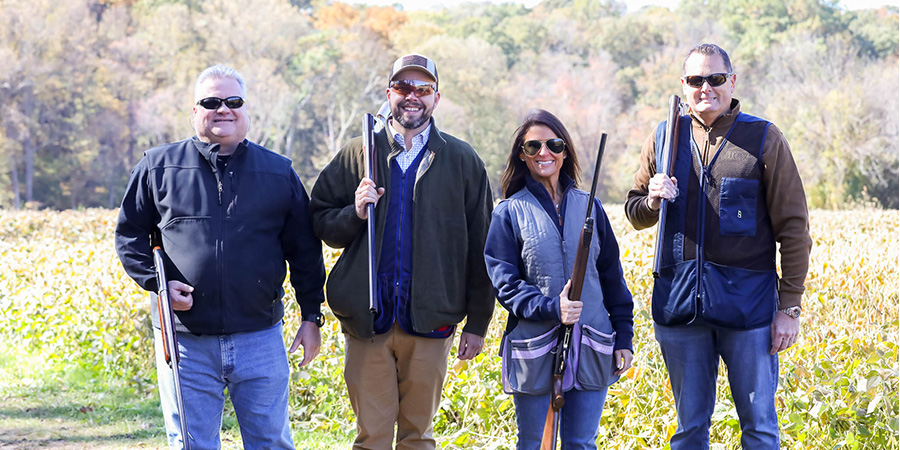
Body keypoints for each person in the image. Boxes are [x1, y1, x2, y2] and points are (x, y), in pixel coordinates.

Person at [115, 64, 326, 449]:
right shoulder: (156, 167)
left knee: (271, 443)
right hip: (184, 341)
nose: (223, 109)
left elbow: (305, 252)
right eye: (210, 102)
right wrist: (156, 282)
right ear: (194, 112)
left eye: (233, 101)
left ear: (247, 111)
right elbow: (129, 236)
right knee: (192, 445)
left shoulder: (279, 173)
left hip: (260, 339)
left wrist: (312, 316)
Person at [624, 44, 812, 449]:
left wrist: (789, 307)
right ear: (684, 85)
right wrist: (653, 199)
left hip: (750, 310)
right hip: (679, 307)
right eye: (696, 80)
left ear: (732, 80)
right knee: (689, 431)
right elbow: (635, 211)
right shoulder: (663, 136)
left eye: (715, 79)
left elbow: (793, 228)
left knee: (760, 428)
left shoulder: (764, 137)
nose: (705, 87)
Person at [308, 53, 495, 450]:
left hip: (431, 321)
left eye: (423, 89)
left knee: (418, 438)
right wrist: (355, 213)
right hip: (368, 320)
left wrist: (478, 322)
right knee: (371, 438)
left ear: (437, 98)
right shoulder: (358, 153)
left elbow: (482, 246)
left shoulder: (463, 161)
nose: (413, 96)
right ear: (388, 93)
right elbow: (321, 222)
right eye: (403, 87)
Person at [483, 110, 634, 450]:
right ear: (521, 155)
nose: (543, 153)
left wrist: (623, 336)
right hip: (534, 345)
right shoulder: (508, 212)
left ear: (565, 152)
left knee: (581, 443)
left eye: (553, 144)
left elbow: (612, 279)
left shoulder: (591, 206)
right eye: (532, 146)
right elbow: (505, 284)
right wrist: (553, 307)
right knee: (535, 443)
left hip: (592, 343)